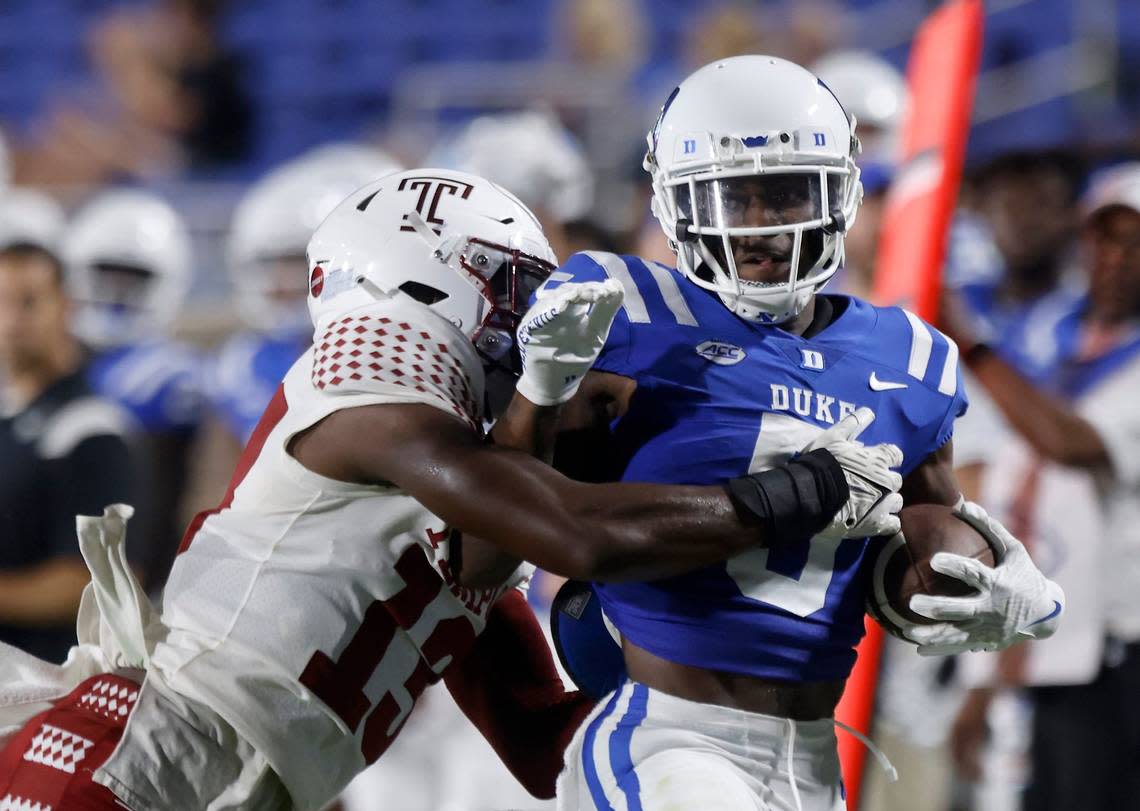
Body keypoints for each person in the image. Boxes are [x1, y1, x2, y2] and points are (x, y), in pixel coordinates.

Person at [0, 168, 904, 809]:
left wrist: (742, 686)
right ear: (424, 276)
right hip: (128, 765)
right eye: (515, 290)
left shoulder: (454, 534)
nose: (530, 322)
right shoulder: (365, 386)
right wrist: (793, 496)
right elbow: (575, 532)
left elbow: (550, 749)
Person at [486, 56, 1065, 811]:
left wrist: (983, 585)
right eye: (733, 196)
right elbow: (506, 522)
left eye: (787, 192)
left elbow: (907, 555)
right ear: (675, 201)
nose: (759, 226)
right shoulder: (622, 311)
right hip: (671, 742)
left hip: (816, 754)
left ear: (841, 192)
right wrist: (537, 393)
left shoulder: (913, 358)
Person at [942, 162, 1140, 811]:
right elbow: (997, 468)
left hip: (1126, 645)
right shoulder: (1046, 329)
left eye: (1135, 243)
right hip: (1052, 638)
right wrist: (987, 677)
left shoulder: (1020, 346)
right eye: (1103, 239)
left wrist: (970, 345)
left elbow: (1069, 441)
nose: (1115, 259)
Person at [0, 240, 137, 664]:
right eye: (2, 302)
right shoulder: (11, 415)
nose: (11, 321)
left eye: (29, 302)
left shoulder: (92, 428)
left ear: (66, 306)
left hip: (50, 684)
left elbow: (92, 583)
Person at [63, 188, 204, 592]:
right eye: (104, 274)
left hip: (138, 564)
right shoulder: (61, 354)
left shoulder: (170, 372)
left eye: (132, 279)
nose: (115, 292)